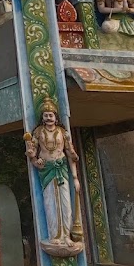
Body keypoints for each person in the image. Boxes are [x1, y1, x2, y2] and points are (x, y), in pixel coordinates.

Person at [24, 97, 83, 254]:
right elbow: (32, 154)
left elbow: (70, 155)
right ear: (42, 118)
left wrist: (75, 178)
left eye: (51, 115)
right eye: (46, 115)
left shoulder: (64, 133)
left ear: (56, 118)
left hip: (61, 169)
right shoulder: (37, 132)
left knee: (65, 203)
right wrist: (34, 159)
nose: (49, 118)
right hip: (47, 171)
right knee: (50, 203)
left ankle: (66, 236)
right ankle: (54, 236)